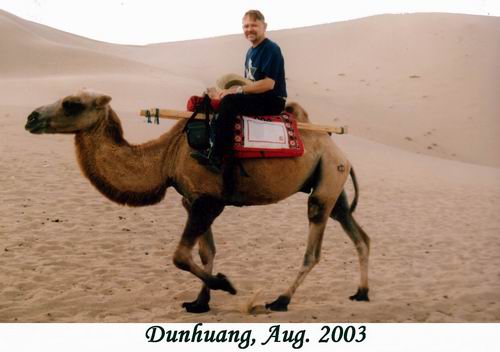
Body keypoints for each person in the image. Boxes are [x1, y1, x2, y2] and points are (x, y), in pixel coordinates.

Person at [193, 9, 287, 173]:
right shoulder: (250, 52)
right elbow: (248, 82)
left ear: (264, 26)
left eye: (253, 25)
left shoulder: (271, 49)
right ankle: (208, 145)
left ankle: (219, 156)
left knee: (230, 102)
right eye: (245, 26)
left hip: (272, 99)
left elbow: (268, 84)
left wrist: (238, 90)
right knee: (212, 100)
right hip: (257, 97)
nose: (249, 29)